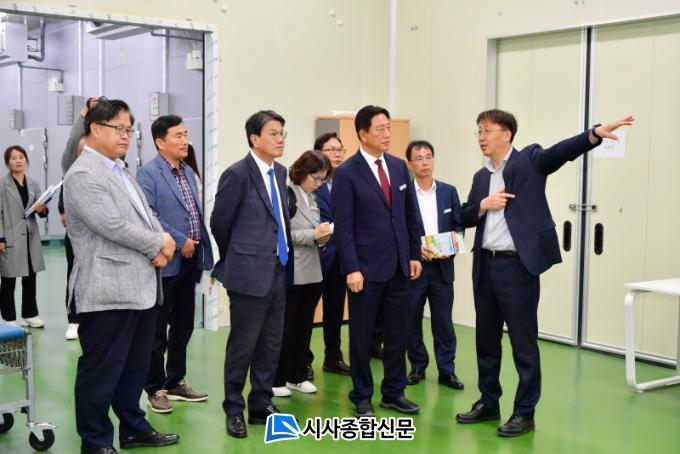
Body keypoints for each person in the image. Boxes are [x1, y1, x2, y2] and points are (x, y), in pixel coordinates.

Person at [455, 109, 634, 437]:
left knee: (523, 343)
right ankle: (488, 401)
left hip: (517, 268)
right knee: (486, 341)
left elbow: (560, 152)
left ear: (506, 134)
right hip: (485, 267)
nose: (481, 137)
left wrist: (593, 134)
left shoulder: (528, 160)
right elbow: (465, 216)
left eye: (487, 130)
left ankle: (524, 413)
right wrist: (482, 205)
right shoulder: (481, 177)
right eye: (478, 131)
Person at [64, 99, 179, 453]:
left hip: (140, 287)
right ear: (94, 129)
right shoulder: (83, 175)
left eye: (129, 129)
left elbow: (146, 215)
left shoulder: (120, 170)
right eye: (118, 128)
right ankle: (95, 441)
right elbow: (111, 225)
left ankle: (132, 428)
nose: (126, 135)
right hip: (107, 290)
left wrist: (161, 240)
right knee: (101, 372)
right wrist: (158, 243)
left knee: (133, 369)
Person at [332, 105, 422, 417]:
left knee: (398, 334)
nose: (387, 134)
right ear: (363, 134)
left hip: (399, 267)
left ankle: (394, 392)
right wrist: (352, 268)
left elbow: (409, 215)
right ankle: (361, 396)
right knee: (361, 336)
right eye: (380, 129)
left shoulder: (398, 167)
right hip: (365, 271)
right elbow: (344, 227)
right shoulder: (347, 173)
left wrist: (413, 254)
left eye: (389, 128)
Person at [210, 110, 292, 439]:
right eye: (273, 133)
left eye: (282, 133)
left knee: (271, 343)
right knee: (242, 345)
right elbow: (220, 223)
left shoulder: (280, 172)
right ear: (254, 138)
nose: (280, 138)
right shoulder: (237, 174)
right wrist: (239, 257)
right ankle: (234, 407)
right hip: (248, 273)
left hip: (279, 269)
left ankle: (261, 402)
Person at [136, 115, 214, 414]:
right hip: (166, 261)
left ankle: (175, 380)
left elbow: (194, 212)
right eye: (178, 136)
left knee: (183, 326)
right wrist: (181, 240)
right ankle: (154, 387)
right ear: (160, 142)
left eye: (185, 134)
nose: (185, 141)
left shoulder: (188, 172)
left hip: (190, 261)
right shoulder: (148, 174)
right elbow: (150, 215)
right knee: (157, 330)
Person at [404, 140, 464, 390]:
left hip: (442, 269)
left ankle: (447, 370)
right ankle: (418, 366)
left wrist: (453, 245)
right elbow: (398, 230)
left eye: (429, 156)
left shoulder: (449, 191)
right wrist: (414, 249)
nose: (425, 162)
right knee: (411, 320)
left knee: (444, 322)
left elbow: (458, 226)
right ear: (410, 164)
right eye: (419, 158)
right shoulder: (403, 193)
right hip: (414, 268)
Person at [273, 150, 332, 397]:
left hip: (313, 271)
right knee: (287, 327)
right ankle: (277, 378)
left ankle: (297, 375)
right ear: (302, 171)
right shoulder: (288, 194)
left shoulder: (312, 198)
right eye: (315, 178)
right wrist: (313, 235)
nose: (318, 183)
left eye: (322, 179)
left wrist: (323, 236)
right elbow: (281, 233)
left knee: (304, 327)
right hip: (293, 271)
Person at [310, 132, 350, 376]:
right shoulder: (311, 183)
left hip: (341, 258)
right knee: (306, 312)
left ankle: (333, 357)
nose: (336, 154)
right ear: (319, 153)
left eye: (340, 150)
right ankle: (303, 360)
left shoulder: (347, 181)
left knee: (335, 311)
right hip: (316, 256)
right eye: (331, 149)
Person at [60, 97, 100, 340]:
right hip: (78, 235)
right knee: (75, 274)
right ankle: (73, 319)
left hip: (102, 235)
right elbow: (73, 141)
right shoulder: (72, 168)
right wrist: (85, 111)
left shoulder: (109, 168)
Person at [0, 145, 48, 328]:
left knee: (30, 278)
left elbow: (42, 210)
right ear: (8, 163)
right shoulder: (3, 185)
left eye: (21, 157)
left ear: (26, 160)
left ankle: (30, 315)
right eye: (13, 158)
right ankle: (8, 318)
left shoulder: (33, 184)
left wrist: (42, 210)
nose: (18, 161)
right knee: (8, 280)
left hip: (30, 238)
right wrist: (1, 238)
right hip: (10, 238)